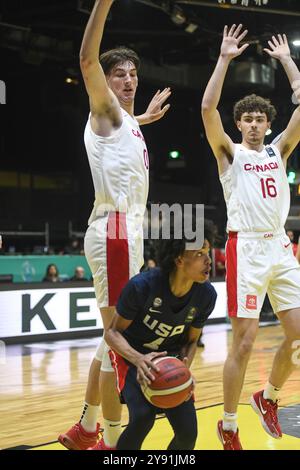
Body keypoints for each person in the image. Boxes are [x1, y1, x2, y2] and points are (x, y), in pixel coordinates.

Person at [58, 0, 171, 451]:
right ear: (104, 82)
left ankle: (86, 429)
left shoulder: (124, 121)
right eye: (119, 74)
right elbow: (87, 58)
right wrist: (104, 3)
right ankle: (115, 443)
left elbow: (124, 127)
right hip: (116, 230)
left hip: (125, 233)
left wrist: (143, 117)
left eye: (132, 74)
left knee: (111, 340)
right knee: (119, 342)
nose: (128, 80)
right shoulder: (104, 109)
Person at [201, 26, 300, 450]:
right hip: (246, 246)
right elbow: (207, 108)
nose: (255, 124)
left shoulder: (279, 150)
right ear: (239, 123)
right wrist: (224, 58)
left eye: (261, 119)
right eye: (248, 119)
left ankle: (268, 398)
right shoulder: (231, 154)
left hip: (279, 245)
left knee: (297, 334)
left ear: (267, 123)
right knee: (244, 341)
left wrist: (289, 64)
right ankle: (228, 423)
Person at [105, 221, 217, 450]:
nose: (209, 260)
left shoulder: (206, 295)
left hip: (170, 361)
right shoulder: (142, 286)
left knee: (188, 434)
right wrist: (138, 359)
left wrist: (185, 365)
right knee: (143, 418)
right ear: (179, 260)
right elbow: (112, 333)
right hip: (132, 358)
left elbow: (191, 340)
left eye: (208, 252)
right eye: (199, 254)